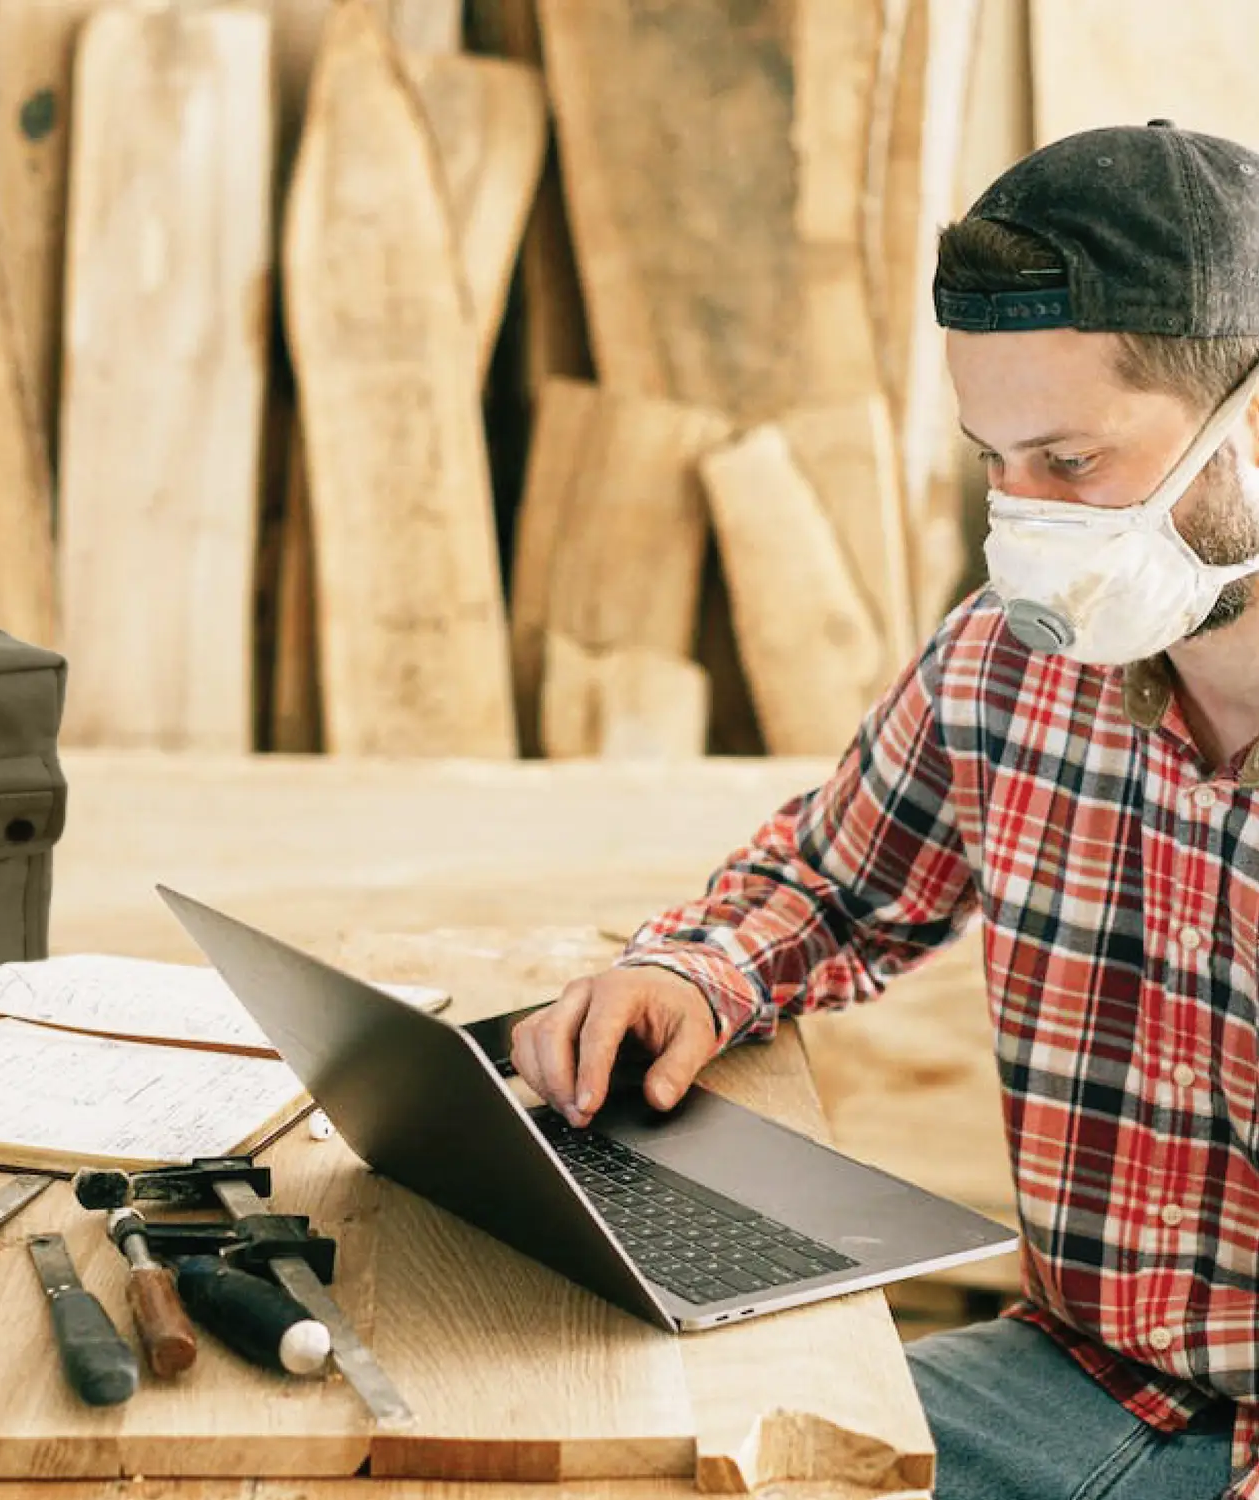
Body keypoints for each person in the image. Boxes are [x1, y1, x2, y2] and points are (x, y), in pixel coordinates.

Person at [510, 120, 1259, 1500]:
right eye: (993, 462)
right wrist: (689, 977)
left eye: (1073, 465)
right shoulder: (1012, 663)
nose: (1023, 521)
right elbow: (837, 887)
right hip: (1073, 1375)